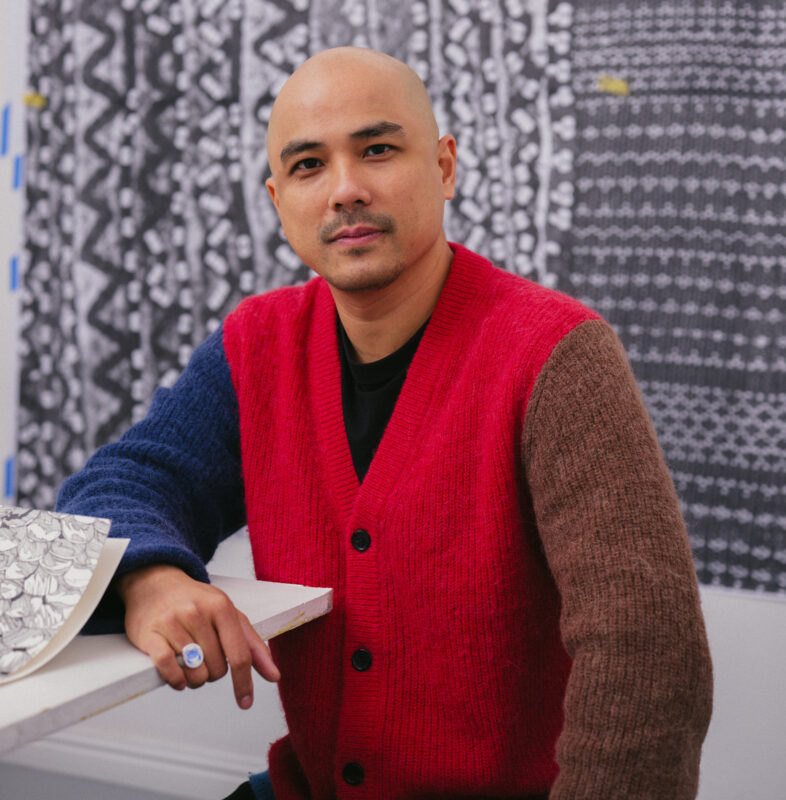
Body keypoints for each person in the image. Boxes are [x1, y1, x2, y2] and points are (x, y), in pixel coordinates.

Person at [57, 47, 713, 800]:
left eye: (377, 150)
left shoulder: (556, 356)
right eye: (308, 166)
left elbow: (646, 650)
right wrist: (151, 575)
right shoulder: (256, 345)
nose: (344, 190)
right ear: (278, 200)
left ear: (444, 167)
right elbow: (125, 479)